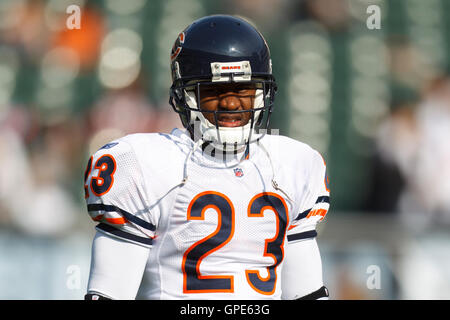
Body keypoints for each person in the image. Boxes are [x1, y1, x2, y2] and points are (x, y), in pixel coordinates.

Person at [83, 15, 330, 300]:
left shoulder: (292, 165)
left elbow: (306, 294)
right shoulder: (143, 164)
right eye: (214, 91)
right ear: (185, 96)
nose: (231, 102)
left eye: (244, 90)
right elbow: (109, 294)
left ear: (263, 95)